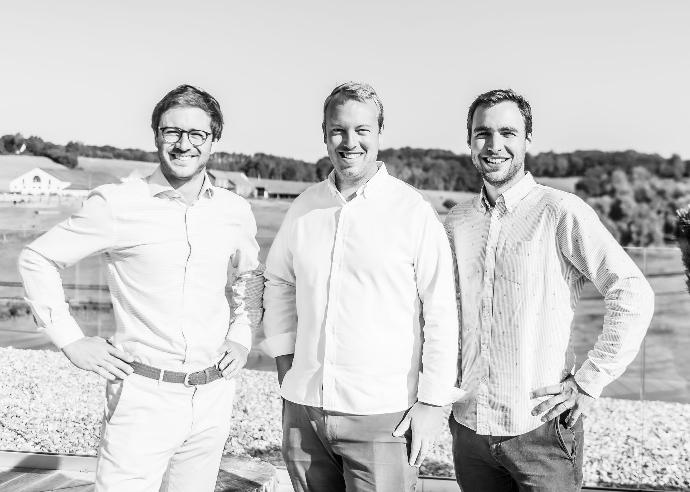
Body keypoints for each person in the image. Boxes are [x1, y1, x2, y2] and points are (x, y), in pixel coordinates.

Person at [18, 84, 263, 492]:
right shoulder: (117, 204)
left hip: (213, 395)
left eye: (197, 134)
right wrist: (70, 340)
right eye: (172, 132)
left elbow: (250, 276)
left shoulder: (233, 211)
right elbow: (37, 259)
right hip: (143, 395)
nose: (184, 144)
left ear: (214, 141)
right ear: (156, 136)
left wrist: (240, 337)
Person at [444, 88, 655, 491]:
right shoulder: (457, 222)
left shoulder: (560, 210)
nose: (494, 145)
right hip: (468, 429)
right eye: (482, 133)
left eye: (508, 132)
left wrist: (589, 380)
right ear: (470, 141)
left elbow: (630, 290)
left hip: (539, 431)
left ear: (527, 141)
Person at [261, 81, 459, 492]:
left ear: (379, 133)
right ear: (324, 134)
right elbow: (278, 280)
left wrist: (432, 401)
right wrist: (285, 360)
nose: (349, 142)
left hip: (383, 417)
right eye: (338, 130)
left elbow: (441, 310)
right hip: (304, 412)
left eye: (361, 130)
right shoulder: (305, 207)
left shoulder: (413, 212)